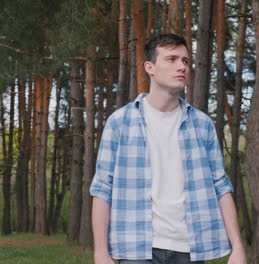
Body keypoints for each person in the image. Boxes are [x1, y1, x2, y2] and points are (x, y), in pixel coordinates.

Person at [90, 33, 246, 264]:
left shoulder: (202, 125)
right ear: (150, 67)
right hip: (136, 250)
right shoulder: (120, 122)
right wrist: (100, 253)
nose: (181, 66)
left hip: (190, 250)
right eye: (171, 59)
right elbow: (103, 188)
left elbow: (221, 186)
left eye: (185, 61)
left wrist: (238, 248)